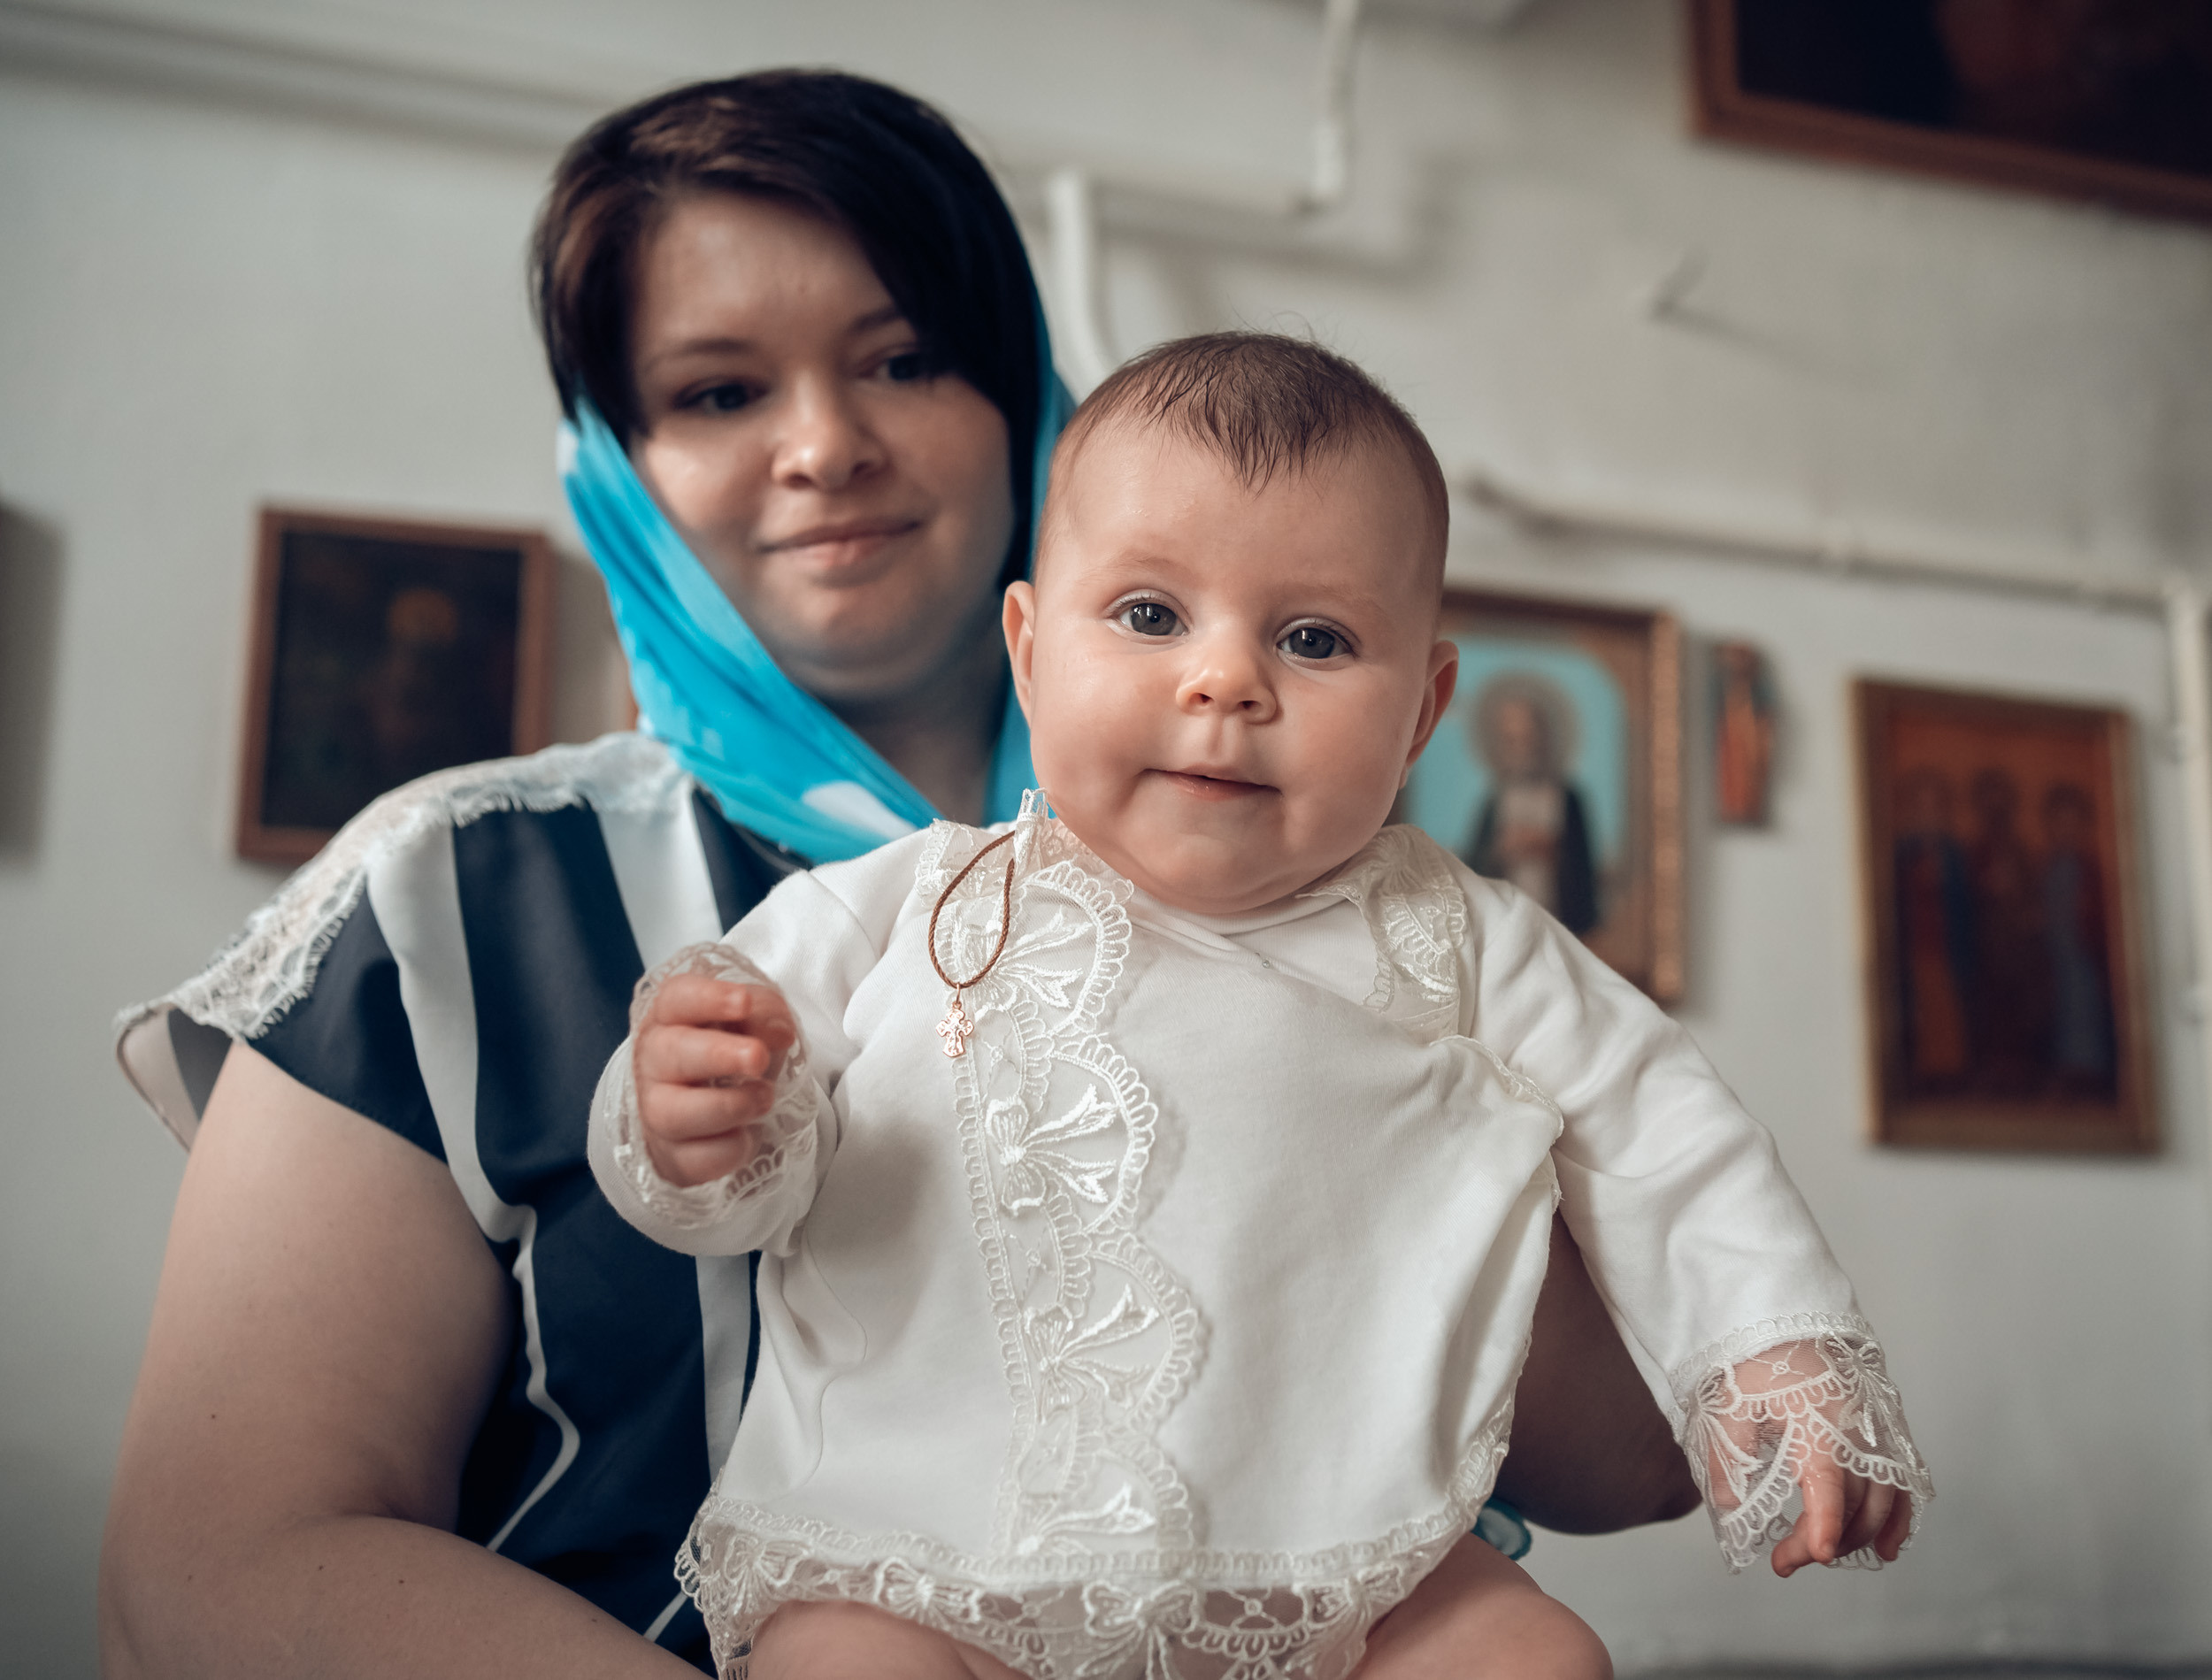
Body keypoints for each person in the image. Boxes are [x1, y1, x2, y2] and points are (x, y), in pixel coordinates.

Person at [101, 73, 1695, 1680]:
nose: (825, 446)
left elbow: (1638, 1463)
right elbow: (215, 1569)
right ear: (616, 464)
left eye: (905, 359)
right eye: (717, 392)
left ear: (1028, 402)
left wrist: (1395, 1123)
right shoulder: (455, 899)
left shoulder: (1377, 904)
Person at [602, 335, 1932, 1680]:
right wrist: (701, 1114)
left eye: (1315, 638)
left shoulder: (1465, 942)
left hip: (1353, 1560)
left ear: (1422, 711)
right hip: (923, 1547)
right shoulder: (900, 908)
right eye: (1149, 615)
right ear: (1027, 647)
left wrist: (1777, 1359)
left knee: (1537, 1658)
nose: (1225, 680)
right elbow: (726, 1183)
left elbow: (1668, 1137)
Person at [1461, 678, 1599, 934]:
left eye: (1529, 739)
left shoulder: (1569, 800)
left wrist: (1552, 849)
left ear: (1544, 739)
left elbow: (1583, 873)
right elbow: (1476, 865)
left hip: (1559, 923)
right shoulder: (1494, 802)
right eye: (1513, 741)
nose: (1523, 750)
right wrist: (1501, 849)